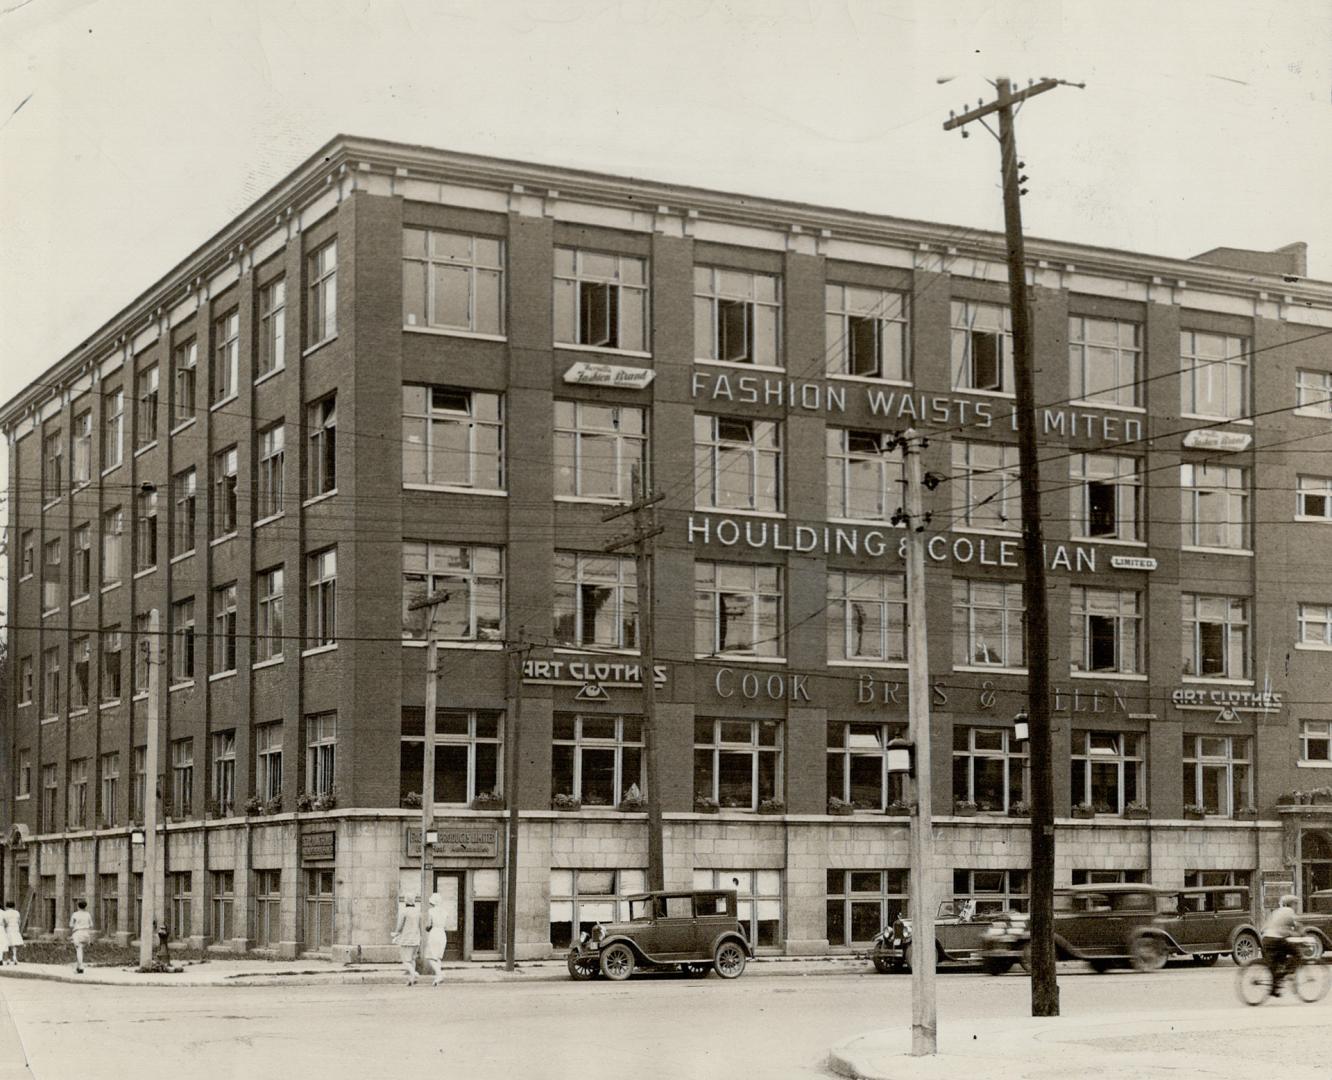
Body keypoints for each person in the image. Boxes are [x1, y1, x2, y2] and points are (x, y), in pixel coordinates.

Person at [1260, 893, 1303, 995]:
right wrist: (1301, 935)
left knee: (1277, 963)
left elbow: (1265, 927)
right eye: (1295, 904)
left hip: (1266, 939)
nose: (1296, 906)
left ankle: (1274, 989)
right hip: (1276, 939)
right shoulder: (1289, 911)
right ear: (1291, 904)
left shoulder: (1276, 912)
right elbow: (1297, 926)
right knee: (1298, 954)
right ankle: (1290, 973)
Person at [391, 895, 421, 986]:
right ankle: (412, 979)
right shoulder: (418, 911)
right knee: (412, 959)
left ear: (406, 901)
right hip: (416, 938)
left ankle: (414, 974)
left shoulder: (404, 912)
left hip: (407, 938)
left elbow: (400, 925)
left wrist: (396, 933)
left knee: (405, 960)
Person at [425, 893, 448, 987]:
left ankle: (440, 974)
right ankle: (437, 978)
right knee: (438, 957)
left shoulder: (431, 911)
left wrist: (427, 928)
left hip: (434, 933)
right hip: (442, 933)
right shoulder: (445, 912)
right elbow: (445, 925)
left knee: (430, 957)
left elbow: (428, 925)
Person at [69, 899, 94, 974]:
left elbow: (71, 925)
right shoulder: (88, 914)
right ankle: (78, 967)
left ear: (78, 906)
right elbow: (91, 925)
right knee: (80, 950)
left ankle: (81, 967)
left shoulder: (75, 914)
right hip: (86, 933)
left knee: (79, 950)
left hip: (78, 933)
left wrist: (76, 925)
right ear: (85, 906)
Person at [1, 900, 23, 966]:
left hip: (8, 929)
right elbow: (19, 921)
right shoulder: (17, 913)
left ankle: (8, 959)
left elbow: (4, 922)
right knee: (14, 945)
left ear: (7, 906)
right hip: (15, 929)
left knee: (8, 944)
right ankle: (15, 957)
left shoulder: (5, 913)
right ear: (14, 906)